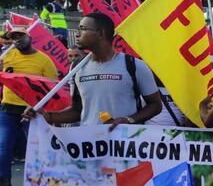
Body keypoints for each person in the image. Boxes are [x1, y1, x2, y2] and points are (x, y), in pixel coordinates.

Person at [24, 12, 162, 130]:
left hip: (124, 145)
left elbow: (155, 105)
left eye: (82, 29)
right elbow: (77, 111)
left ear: (101, 33)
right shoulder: (76, 67)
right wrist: (47, 116)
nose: (77, 34)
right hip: (90, 145)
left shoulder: (134, 65)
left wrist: (129, 120)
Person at [0, 26, 57, 186]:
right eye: (14, 37)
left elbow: (52, 88)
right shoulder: (6, 56)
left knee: (39, 149)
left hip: (33, 112)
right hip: (8, 110)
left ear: (30, 37)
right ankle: (4, 183)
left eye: (21, 36)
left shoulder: (44, 60)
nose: (17, 39)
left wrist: (39, 107)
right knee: (3, 148)